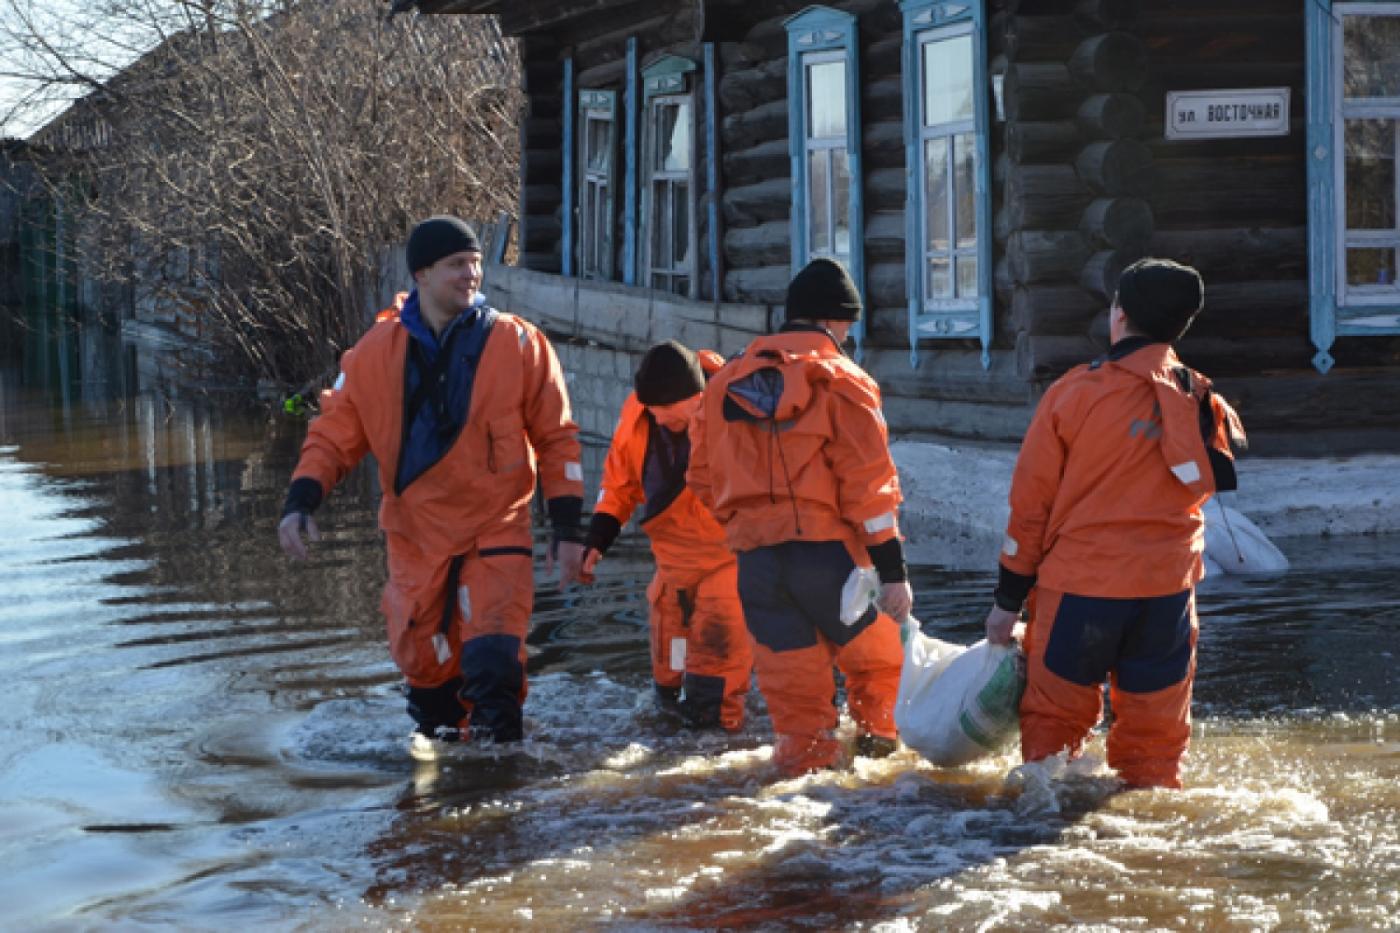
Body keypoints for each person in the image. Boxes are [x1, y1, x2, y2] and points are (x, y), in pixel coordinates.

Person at [277, 215, 585, 748]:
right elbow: (334, 433)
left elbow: (558, 439)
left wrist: (568, 528)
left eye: (475, 264)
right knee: (431, 695)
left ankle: (502, 803)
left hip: (497, 529)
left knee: (493, 669)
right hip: (417, 537)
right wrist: (301, 498)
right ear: (421, 274)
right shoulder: (373, 354)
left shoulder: (520, 345)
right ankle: (447, 808)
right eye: (456, 265)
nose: (471, 274)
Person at [985, 257, 1245, 790]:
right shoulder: (1202, 398)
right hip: (1167, 596)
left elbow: (1030, 508)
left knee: (1051, 742)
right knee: (1154, 749)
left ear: (1119, 316)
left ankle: (1039, 842)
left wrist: (1006, 601)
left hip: (1082, 592)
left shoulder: (1073, 394)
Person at [687, 257, 911, 776]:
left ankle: (804, 785)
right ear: (836, 322)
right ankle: (882, 776)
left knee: (797, 706)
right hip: (831, 560)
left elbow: (700, 474)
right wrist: (893, 572)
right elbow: (870, 484)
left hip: (757, 564)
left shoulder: (724, 383)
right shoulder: (844, 380)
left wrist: (746, 525)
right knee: (880, 674)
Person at [577, 341, 754, 731]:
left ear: (696, 399)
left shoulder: (736, 413)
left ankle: (714, 774)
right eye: (653, 415)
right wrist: (597, 541)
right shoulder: (640, 412)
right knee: (666, 698)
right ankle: (666, 764)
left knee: (713, 694)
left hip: (726, 565)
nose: (659, 423)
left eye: (668, 416)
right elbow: (618, 483)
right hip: (672, 573)